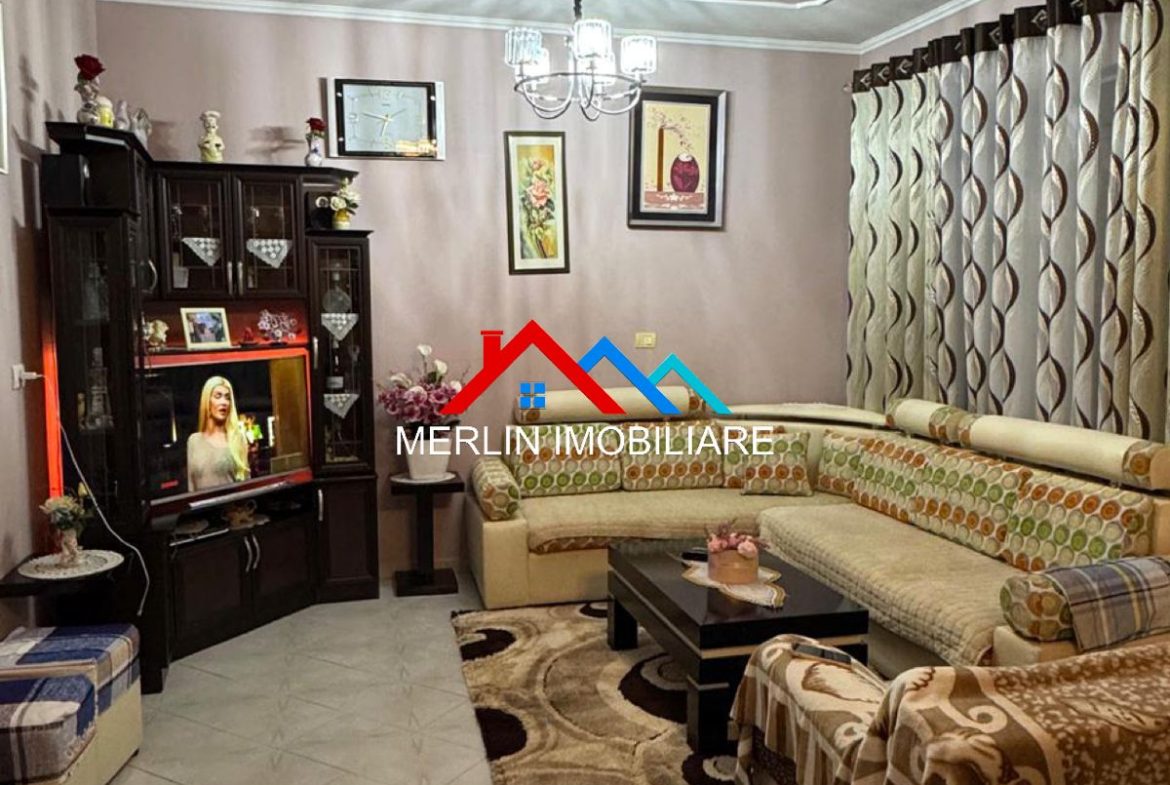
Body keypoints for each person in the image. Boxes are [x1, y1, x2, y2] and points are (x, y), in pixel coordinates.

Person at [187, 376, 251, 491]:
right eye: (218, 396)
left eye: (227, 398)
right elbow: (191, 485)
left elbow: (246, 486)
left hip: (231, 502)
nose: (224, 402)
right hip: (203, 503)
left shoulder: (237, 439)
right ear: (207, 401)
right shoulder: (194, 441)